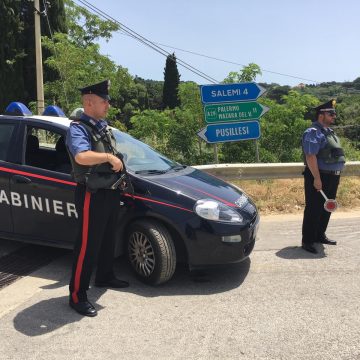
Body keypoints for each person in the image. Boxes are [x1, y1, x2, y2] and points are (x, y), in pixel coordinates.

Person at [66, 79, 129, 317]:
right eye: (104, 101)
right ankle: (77, 296)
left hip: (109, 191)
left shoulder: (101, 126)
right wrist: (108, 159)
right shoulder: (78, 128)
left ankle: (105, 276)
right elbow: (81, 156)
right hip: (92, 193)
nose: (108, 105)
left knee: (107, 239)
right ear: (89, 102)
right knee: (87, 245)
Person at [301, 99, 345, 254]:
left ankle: (320, 235)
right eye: (331, 113)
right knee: (314, 208)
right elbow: (310, 156)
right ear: (321, 115)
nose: (334, 116)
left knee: (327, 207)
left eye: (334, 113)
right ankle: (308, 240)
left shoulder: (329, 132)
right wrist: (317, 178)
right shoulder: (313, 132)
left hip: (333, 176)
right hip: (320, 176)